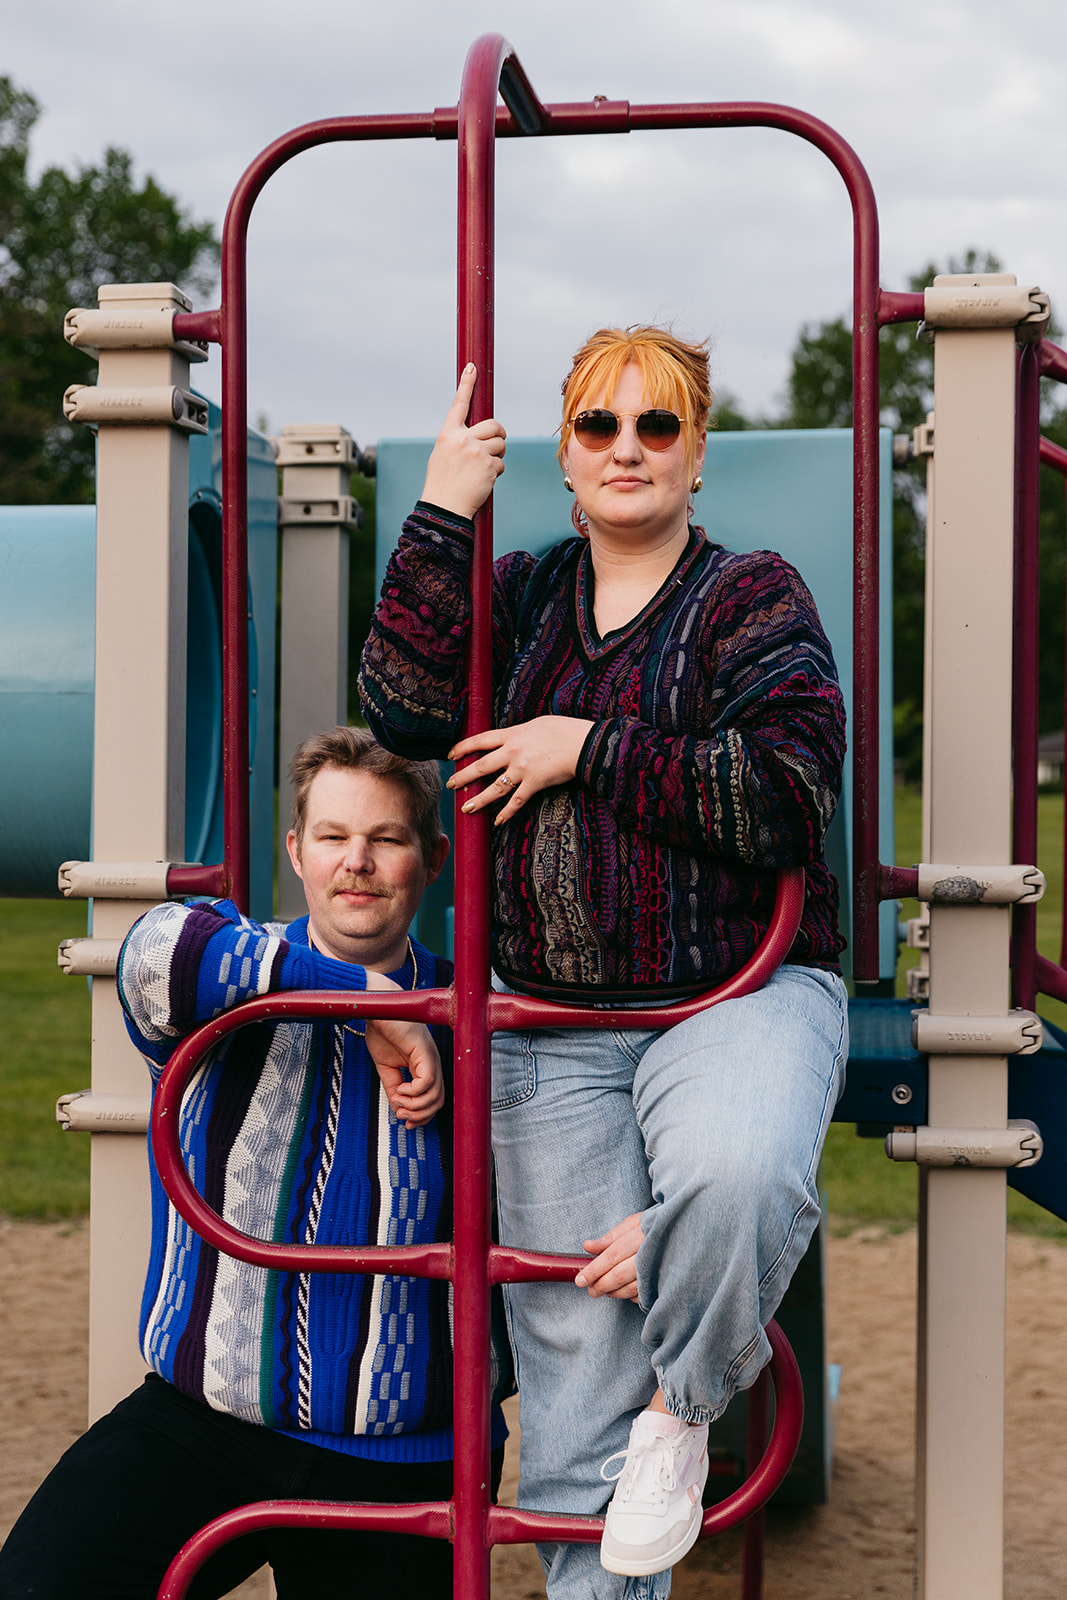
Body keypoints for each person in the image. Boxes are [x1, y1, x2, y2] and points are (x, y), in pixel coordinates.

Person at [359, 327, 849, 1598]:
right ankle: (642, 1396)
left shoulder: (750, 597)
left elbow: (791, 795)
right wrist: (438, 511)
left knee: (736, 1181)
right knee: (573, 1424)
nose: (625, 448)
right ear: (564, 457)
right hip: (547, 1025)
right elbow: (402, 705)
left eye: (656, 425)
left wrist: (584, 746)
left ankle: (680, 1408)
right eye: (596, 427)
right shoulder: (518, 593)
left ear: (696, 454)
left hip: (733, 992)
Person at [0, 727, 510, 1600]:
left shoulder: (485, 1018)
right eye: (333, 838)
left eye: (386, 840)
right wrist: (361, 1002)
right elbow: (151, 951)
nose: (357, 863)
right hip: (207, 1420)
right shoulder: (228, 980)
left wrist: (417, 1009)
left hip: (405, 1453)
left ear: (431, 860)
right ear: (296, 851)